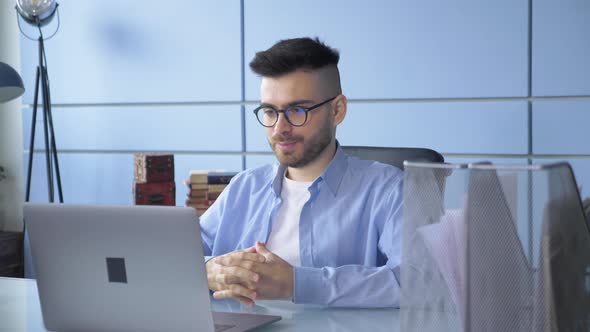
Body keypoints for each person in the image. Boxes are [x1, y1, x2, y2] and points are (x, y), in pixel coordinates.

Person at [199, 37, 403, 308]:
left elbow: (421, 280)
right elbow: (175, 255)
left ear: (337, 110)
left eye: (297, 110)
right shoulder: (244, 187)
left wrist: (297, 284)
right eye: (270, 111)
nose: (279, 128)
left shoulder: (388, 189)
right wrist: (208, 270)